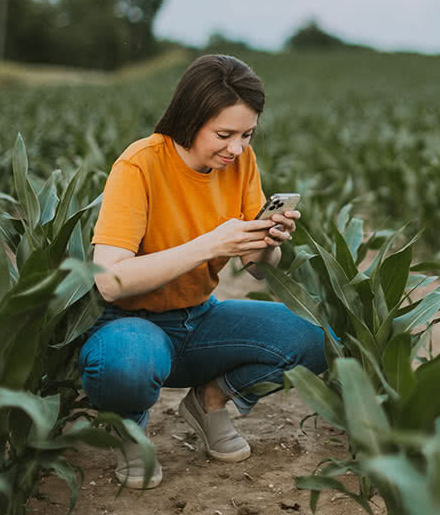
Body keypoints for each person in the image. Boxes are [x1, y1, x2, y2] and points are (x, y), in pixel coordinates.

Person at [78, 54, 328, 489]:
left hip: (198, 319)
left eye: (247, 134)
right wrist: (210, 245)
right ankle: (130, 430)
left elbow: (257, 271)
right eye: (224, 134)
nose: (236, 148)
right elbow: (110, 280)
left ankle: (209, 402)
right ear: (190, 118)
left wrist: (268, 243)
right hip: (130, 323)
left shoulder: (240, 164)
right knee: (124, 365)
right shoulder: (140, 164)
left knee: (317, 336)